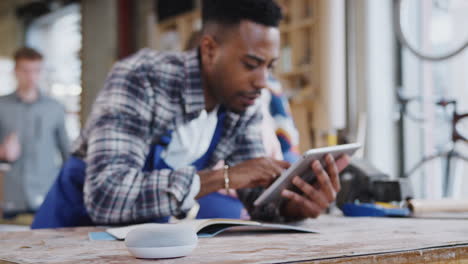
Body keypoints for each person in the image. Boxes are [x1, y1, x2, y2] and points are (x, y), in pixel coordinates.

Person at [32, 0, 349, 228]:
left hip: (138, 243)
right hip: (67, 236)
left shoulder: (241, 102)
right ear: (210, 49)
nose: (262, 81)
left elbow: (258, 201)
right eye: (251, 64)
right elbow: (107, 196)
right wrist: (223, 177)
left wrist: (296, 205)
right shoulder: (141, 78)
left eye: (270, 67)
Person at [0, 47, 70, 217]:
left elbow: (67, 153)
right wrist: (2, 152)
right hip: (10, 195)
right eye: (25, 71)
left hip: (46, 193)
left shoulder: (55, 108)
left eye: (36, 71)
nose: (31, 77)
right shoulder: (2, 106)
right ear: (15, 71)